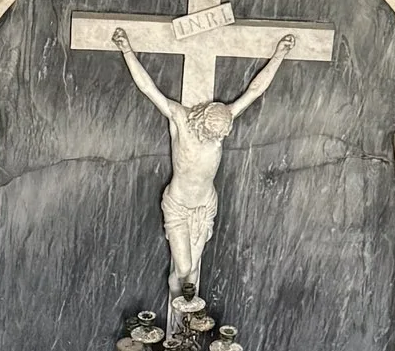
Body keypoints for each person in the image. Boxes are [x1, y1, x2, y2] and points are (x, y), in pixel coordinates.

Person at [112, 25, 299, 297]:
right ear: (200, 123)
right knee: (183, 266)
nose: (216, 141)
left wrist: (279, 55)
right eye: (212, 135)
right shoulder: (180, 120)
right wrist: (127, 49)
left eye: (220, 137)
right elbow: (148, 88)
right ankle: (176, 317)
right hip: (178, 205)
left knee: (194, 272)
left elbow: (254, 91)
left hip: (205, 205)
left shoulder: (219, 128)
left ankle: (185, 327)